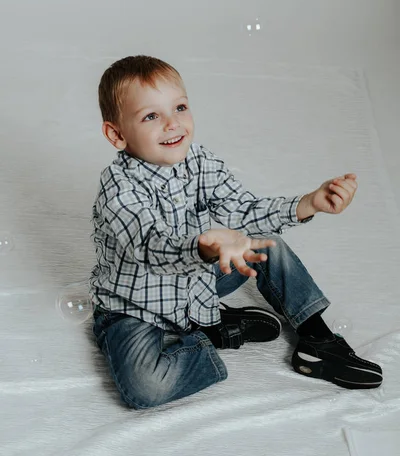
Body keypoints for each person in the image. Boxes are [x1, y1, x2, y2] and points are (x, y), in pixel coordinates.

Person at [89, 55, 382, 410]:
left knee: (266, 243)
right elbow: (150, 246)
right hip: (136, 306)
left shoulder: (199, 162)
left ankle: (317, 341)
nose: (172, 124)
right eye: (151, 116)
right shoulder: (118, 188)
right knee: (145, 387)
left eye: (180, 107)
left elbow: (244, 210)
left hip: (196, 281)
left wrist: (308, 203)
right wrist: (203, 249)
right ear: (116, 134)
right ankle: (210, 331)